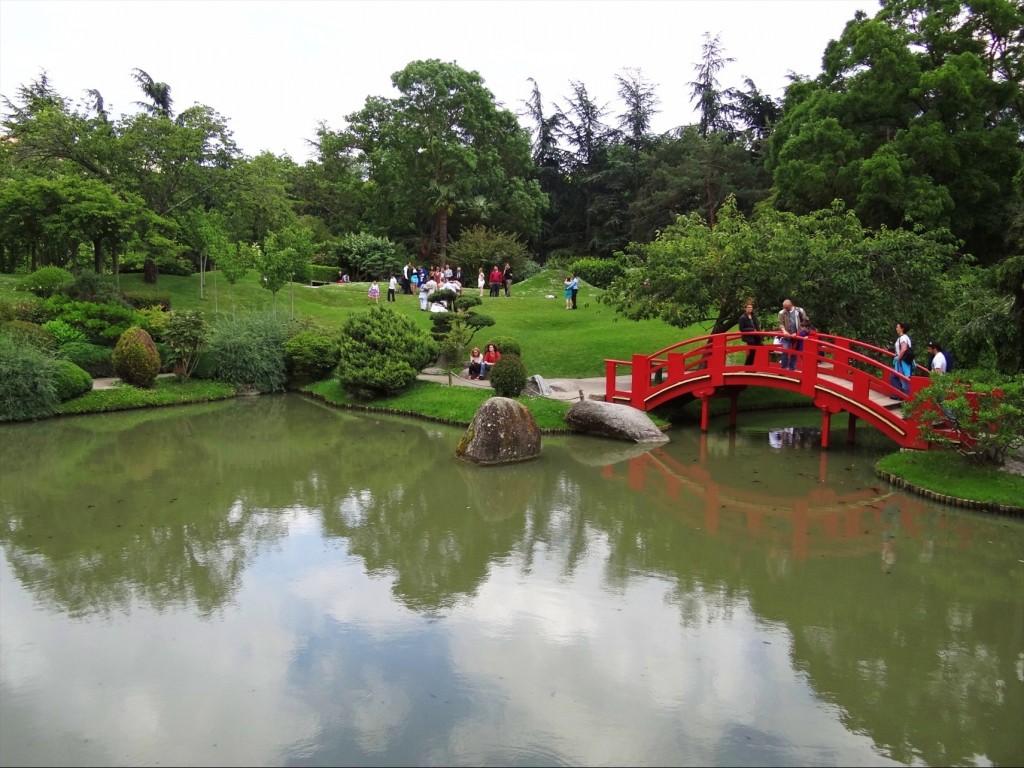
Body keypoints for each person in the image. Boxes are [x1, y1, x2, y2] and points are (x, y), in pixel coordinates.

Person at [776, 299, 809, 371]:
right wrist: (784, 331)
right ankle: (783, 368)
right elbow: (780, 323)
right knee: (785, 350)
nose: (785, 309)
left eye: (787, 308)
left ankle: (791, 368)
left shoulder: (800, 311)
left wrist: (798, 333)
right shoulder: (782, 313)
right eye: (784, 307)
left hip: (797, 335)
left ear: (791, 305)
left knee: (795, 351)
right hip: (786, 335)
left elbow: (805, 323)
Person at [889, 322, 913, 398]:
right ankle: (899, 394)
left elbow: (903, 349)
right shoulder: (904, 337)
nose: (896, 329)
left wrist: (898, 358)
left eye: (897, 327)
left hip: (902, 362)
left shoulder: (903, 338)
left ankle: (906, 398)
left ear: (902, 328)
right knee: (893, 376)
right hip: (901, 361)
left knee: (904, 380)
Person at [738, 300, 761, 365]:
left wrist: (760, 333)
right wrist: (752, 329)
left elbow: (757, 325)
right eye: (748, 307)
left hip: (756, 336)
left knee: (756, 351)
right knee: (752, 351)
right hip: (749, 337)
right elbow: (741, 329)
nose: (750, 309)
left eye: (751, 307)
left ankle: (751, 366)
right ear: (745, 308)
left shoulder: (753, 316)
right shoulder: (742, 318)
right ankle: (747, 366)